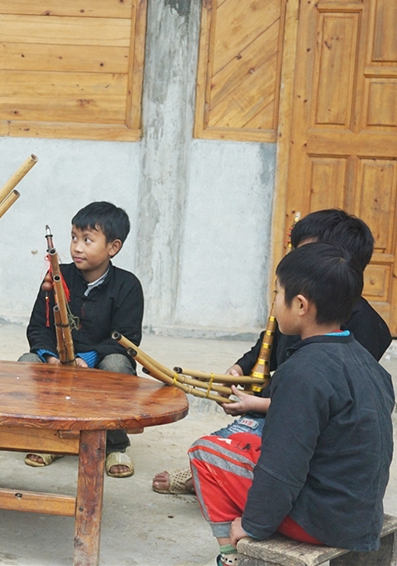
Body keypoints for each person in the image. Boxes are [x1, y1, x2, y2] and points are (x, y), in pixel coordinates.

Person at [152, 209, 392, 495]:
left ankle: (223, 480)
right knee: (227, 446)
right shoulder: (300, 311)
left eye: (305, 255)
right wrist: (240, 369)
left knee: (216, 453)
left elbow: (326, 410)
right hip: (281, 405)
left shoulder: (364, 329)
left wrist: (254, 405)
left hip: (312, 430)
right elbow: (265, 344)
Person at [189, 242, 393, 566]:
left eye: (277, 293)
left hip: (322, 521)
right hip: (362, 510)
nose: (273, 304)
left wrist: (252, 524)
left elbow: (282, 469)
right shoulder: (369, 366)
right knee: (250, 442)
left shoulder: (301, 373)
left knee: (204, 453)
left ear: (300, 305)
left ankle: (230, 554)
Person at [20, 201, 144, 476]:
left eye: (88, 240)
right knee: (26, 362)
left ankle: (114, 445)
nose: (77, 247)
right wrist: (50, 356)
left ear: (113, 247)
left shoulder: (128, 286)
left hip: (97, 364)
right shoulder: (57, 276)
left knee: (116, 364)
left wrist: (87, 359)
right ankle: (51, 437)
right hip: (57, 359)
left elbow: (126, 339)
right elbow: (38, 327)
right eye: (74, 237)